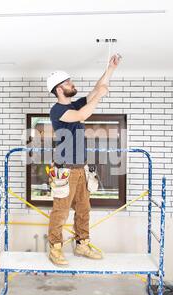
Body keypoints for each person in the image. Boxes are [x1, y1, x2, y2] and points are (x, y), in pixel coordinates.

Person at [45, 54, 121, 266]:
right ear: (59, 89)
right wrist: (100, 97)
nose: (72, 83)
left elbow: (97, 88)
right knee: (60, 211)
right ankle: (56, 248)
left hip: (81, 169)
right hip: (64, 170)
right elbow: (82, 116)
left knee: (84, 209)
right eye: (67, 82)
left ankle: (82, 244)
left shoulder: (75, 104)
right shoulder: (58, 110)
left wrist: (110, 69)